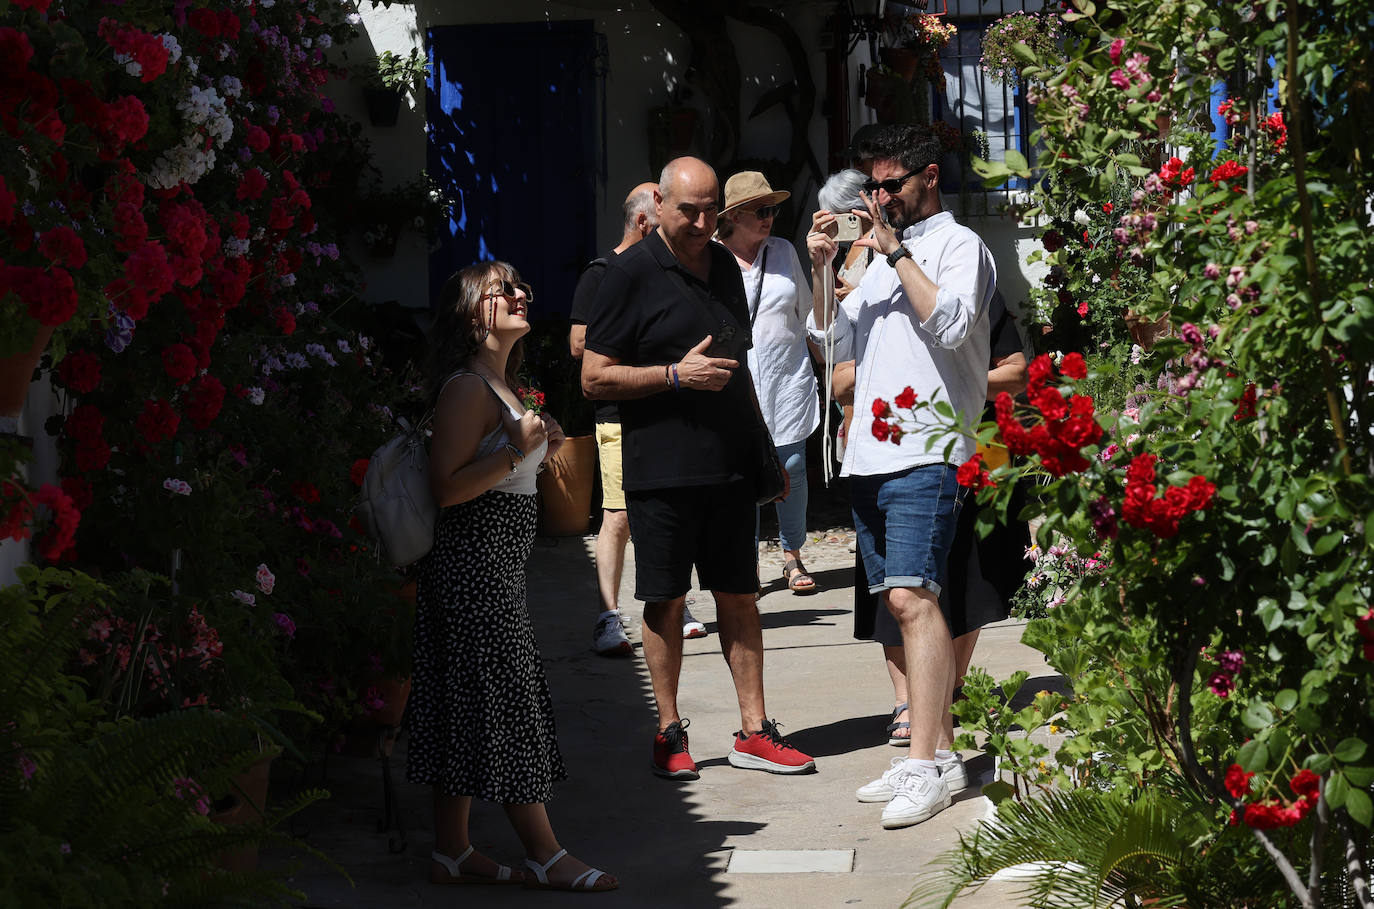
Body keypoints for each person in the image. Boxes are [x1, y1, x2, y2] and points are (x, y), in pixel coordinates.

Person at [582, 155, 816, 781]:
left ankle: (754, 730)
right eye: (689, 210)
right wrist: (672, 376)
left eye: (712, 209)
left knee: (740, 597)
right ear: (658, 204)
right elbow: (592, 375)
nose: (703, 221)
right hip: (661, 470)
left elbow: (739, 370)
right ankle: (668, 731)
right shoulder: (627, 274)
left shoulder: (722, 268)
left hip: (730, 466)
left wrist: (763, 450)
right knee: (665, 602)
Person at [806, 125, 996, 830]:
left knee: (915, 597)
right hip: (870, 456)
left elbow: (949, 324)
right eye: (871, 187)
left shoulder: (957, 247)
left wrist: (893, 250)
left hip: (929, 450)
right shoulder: (874, 260)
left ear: (930, 177)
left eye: (890, 184)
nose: (877, 198)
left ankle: (923, 764)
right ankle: (939, 755)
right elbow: (829, 343)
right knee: (899, 603)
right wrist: (826, 269)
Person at [408, 261, 616, 892]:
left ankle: (451, 849)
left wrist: (533, 446)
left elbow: (498, 468)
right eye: (506, 290)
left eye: (523, 285)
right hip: (474, 575)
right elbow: (446, 489)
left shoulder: (499, 384)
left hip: (493, 573)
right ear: (476, 314)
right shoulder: (469, 388)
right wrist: (515, 451)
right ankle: (546, 854)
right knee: (509, 708)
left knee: (467, 707)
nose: (524, 294)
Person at [845, 291, 1029, 752]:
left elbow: (1017, 373)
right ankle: (906, 698)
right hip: (892, 444)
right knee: (896, 578)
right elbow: (841, 381)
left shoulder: (969, 288)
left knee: (976, 562)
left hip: (982, 438)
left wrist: (952, 381)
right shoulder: (869, 298)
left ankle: (949, 685)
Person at [569, 182, 707, 653]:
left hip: (670, 412)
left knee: (673, 510)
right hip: (618, 414)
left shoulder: (675, 271)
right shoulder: (604, 272)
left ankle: (677, 602)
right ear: (647, 221)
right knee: (620, 514)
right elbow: (578, 343)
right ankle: (608, 615)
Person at [715, 171, 820, 595]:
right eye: (761, 211)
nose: (770, 218)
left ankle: (792, 554)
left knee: (792, 466)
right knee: (743, 472)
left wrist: (830, 364)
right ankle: (748, 562)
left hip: (788, 376)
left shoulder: (782, 252)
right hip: (739, 382)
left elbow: (808, 311)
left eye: (773, 209)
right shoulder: (713, 257)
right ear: (735, 216)